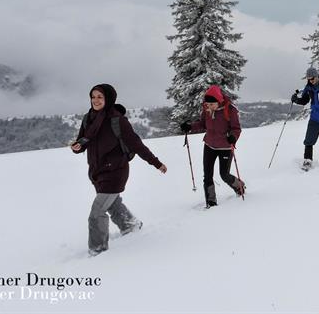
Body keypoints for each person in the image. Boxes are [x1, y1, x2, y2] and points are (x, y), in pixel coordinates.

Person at [71, 84, 167, 257]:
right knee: (113, 204)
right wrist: (77, 147)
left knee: (97, 212)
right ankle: (130, 225)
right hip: (96, 171)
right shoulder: (89, 118)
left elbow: (136, 145)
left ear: (108, 98)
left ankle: (98, 249)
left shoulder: (117, 120)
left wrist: (156, 163)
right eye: (93, 96)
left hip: (115, 171)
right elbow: (83, 141)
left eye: (100, 97)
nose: (96, 100)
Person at [180, 85, 244, 208]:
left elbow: (236, 128)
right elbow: (203, 124)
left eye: (211, 104)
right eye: (207, 105)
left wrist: (233, 137)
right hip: (209, 145)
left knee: (224, 174)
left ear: (218, 100)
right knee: (207, 175)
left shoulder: (230, 110)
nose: (208, 107)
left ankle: (239, 186)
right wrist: (190, 126)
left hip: (225, 147)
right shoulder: (207, 109)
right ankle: (211, 202)